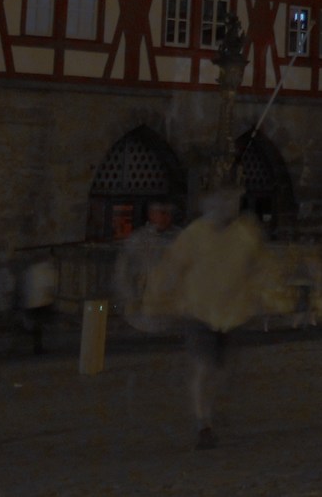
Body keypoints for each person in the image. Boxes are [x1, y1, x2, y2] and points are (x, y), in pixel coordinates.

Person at [150, 187, 269, 449]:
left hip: (234, 312)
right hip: (199, 311)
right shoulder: (195, 234)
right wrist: (157, 297)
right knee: (204, 367)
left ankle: (211, 410)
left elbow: (259, 266)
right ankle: (203, 421)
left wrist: (263, 295)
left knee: (224, 371)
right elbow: (172, 266)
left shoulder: (244, 234)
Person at [111, 202, 180, 334]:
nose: (165, 218)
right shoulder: (139, 239)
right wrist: (129, 295)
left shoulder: (180, 237)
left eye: (168, 214)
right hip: (144, 299)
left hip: (172, 302)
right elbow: (124, 269)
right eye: (162, 213)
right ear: (152, 215)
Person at [18, 253, 59, 355]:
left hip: (31, 303)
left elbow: (24, 286)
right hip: (42, 302)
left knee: (36, 324)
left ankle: (35, 343)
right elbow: (49, 288)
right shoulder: (48, 271)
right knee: (41, 324)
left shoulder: (30, 270)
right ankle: (38, 345)